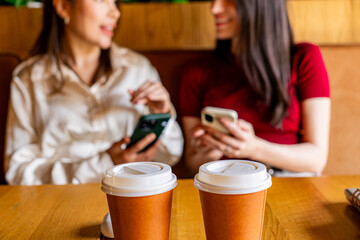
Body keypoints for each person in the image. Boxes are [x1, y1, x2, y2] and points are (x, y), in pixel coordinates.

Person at [5, 0, 183, 185]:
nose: (115, 12)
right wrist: (106, 164)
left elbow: (172, 155)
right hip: (61, 207)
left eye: (114, 1)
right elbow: (18, 173)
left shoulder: (138, 68)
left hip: (130, 202)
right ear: (63, 6)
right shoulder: (28, 80)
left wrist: (161, 116)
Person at [180, 0, 330, 176]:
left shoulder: (304, 58)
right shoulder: (196, 72)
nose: (214, 9)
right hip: (226, 183)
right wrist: (212, 151)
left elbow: (317, 159)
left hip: (289, 179)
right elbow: (192, 165)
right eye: (213, 0)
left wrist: (254, 149)